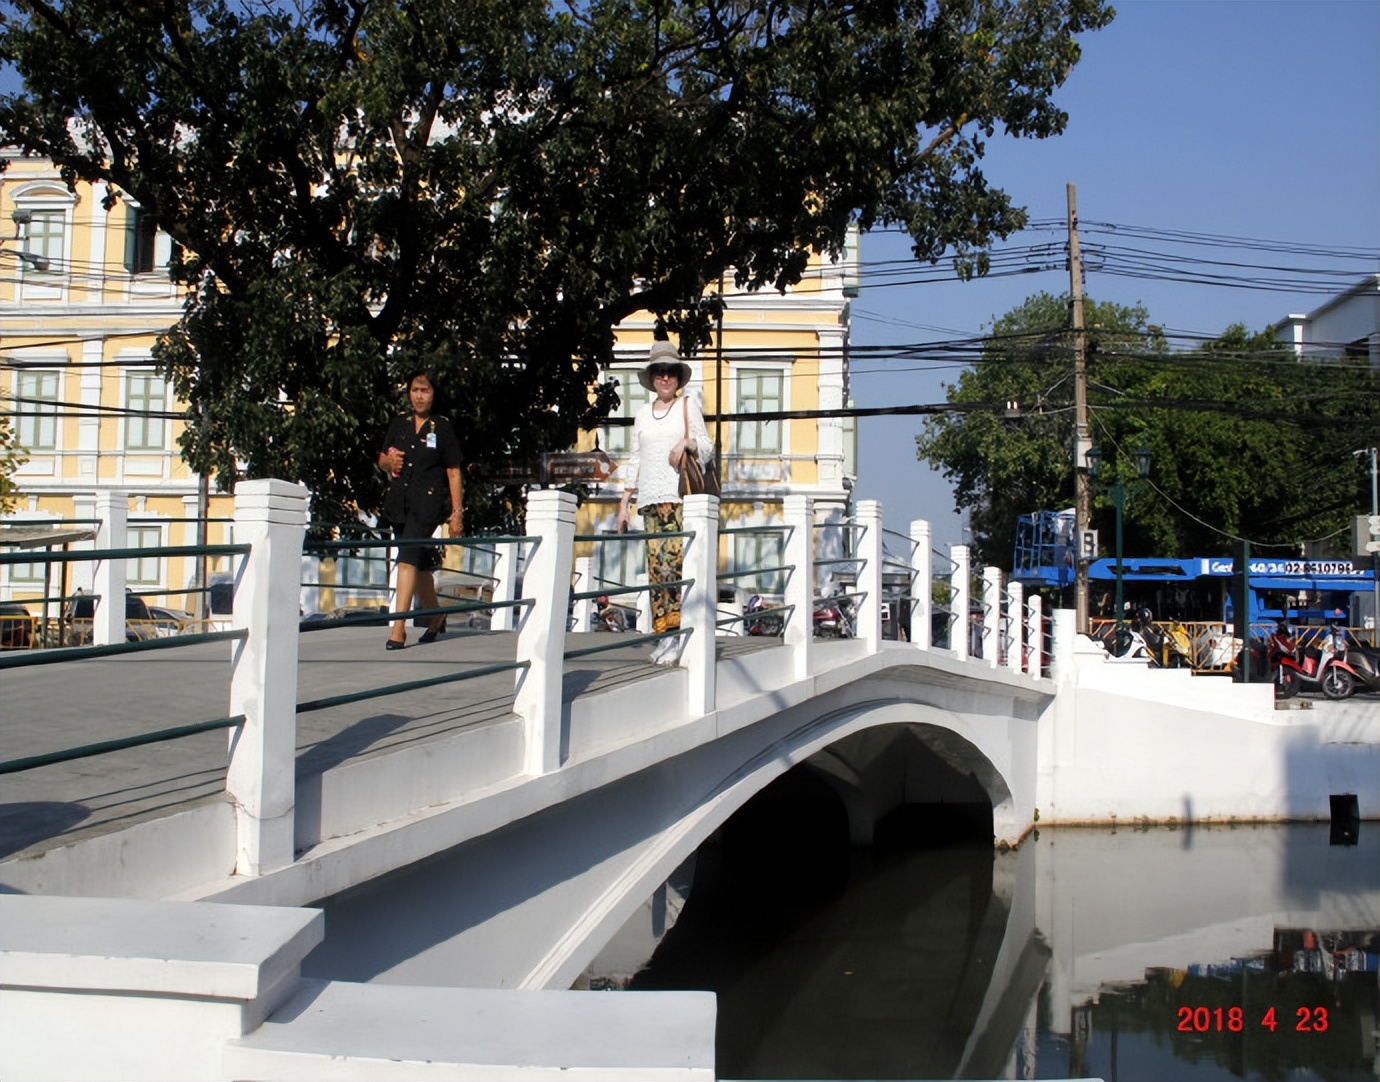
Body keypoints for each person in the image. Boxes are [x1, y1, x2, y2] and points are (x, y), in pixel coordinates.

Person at [616, 341, 712, 664]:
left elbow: (707, 448)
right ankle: (663, 635)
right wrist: (624, 501)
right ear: (653, 377)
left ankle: (676, 634)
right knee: (655, 572)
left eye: (670, 372)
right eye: (660, 372)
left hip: (677, 500)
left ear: (678, 377)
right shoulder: (643, 414)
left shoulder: (688, 406)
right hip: (649, 501)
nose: (665, 378)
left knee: (673, 568)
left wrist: (686, 442)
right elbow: (635, 457)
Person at [378, 370, 463, 650]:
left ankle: (398, 628)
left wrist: (456, 513)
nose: (419, 396)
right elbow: (382, 458)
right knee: (421, 566)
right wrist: (389, 464)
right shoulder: (400, 424)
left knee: (407, 560)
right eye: (415, 390)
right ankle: (436, 617)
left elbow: (453, 472)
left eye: (424, 390)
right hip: (399, 502)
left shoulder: (442, 427)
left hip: (428, 504)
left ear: (434, 394)